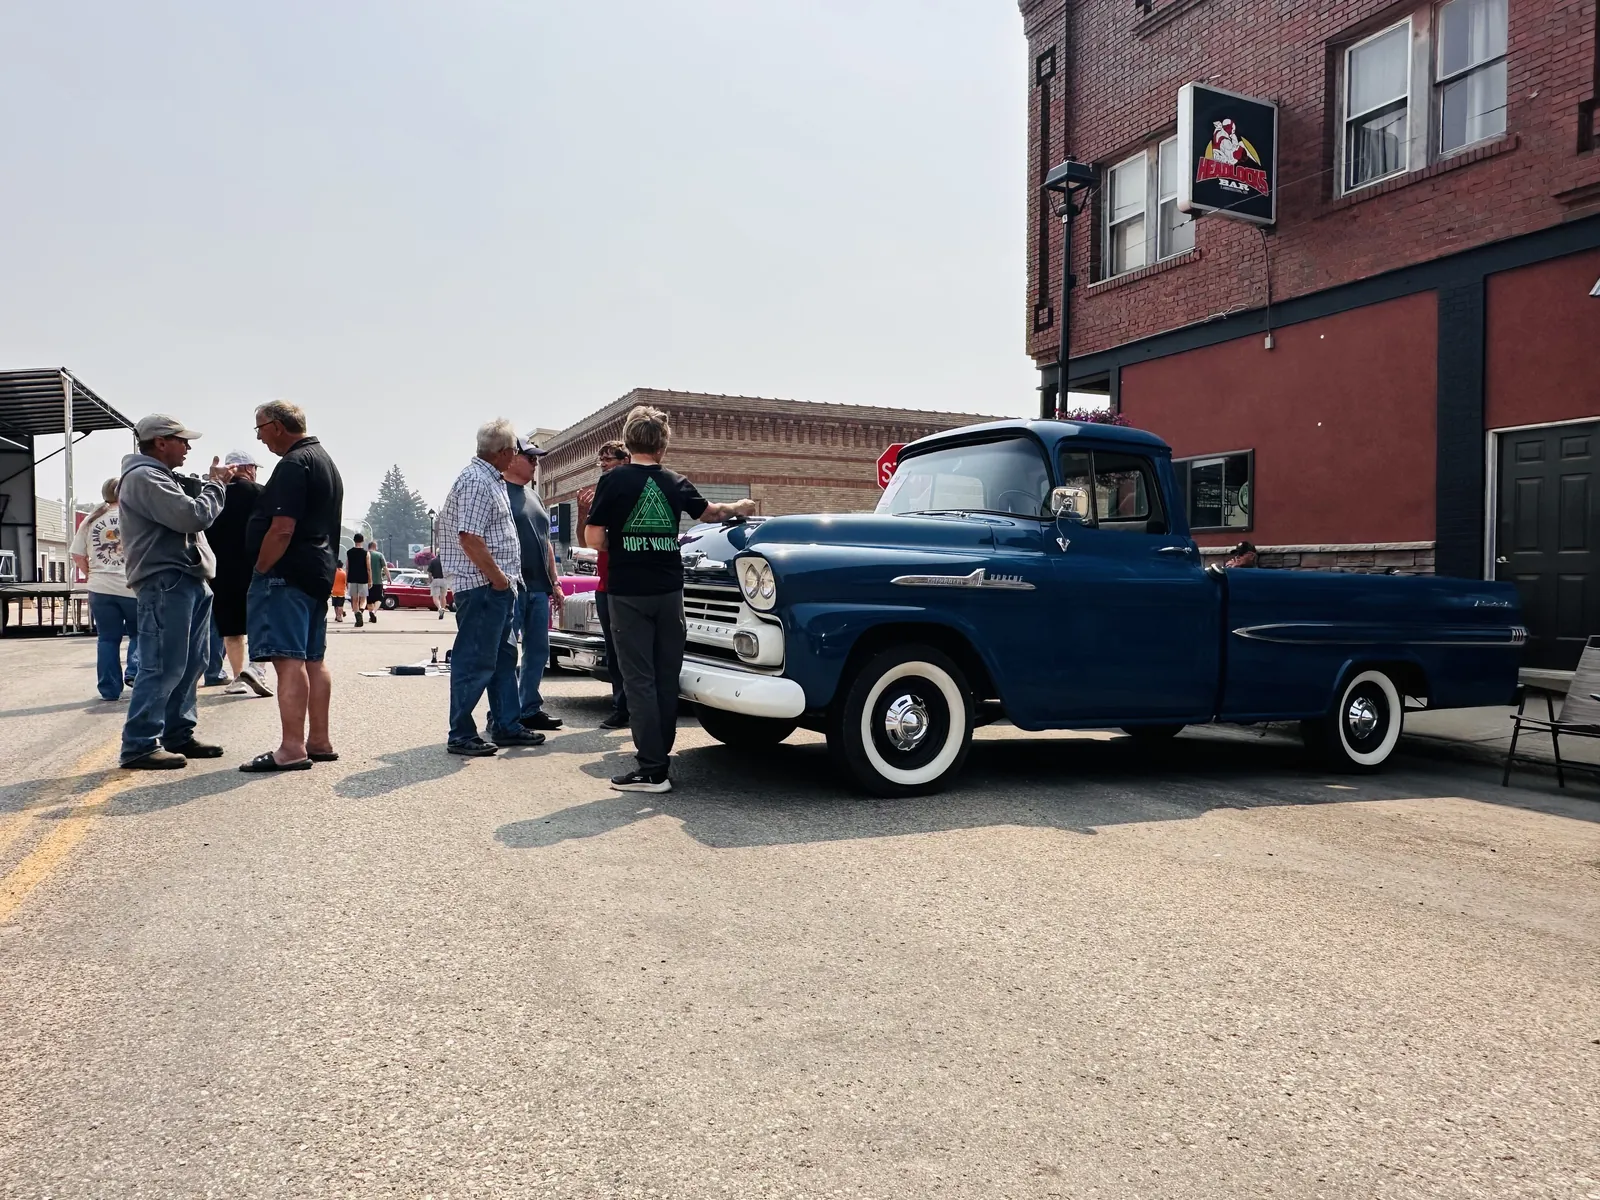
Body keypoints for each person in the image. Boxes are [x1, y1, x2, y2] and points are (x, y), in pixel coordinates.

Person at [584, 406, 756, 792]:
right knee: (665, 677)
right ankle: (659, 762)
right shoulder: (675, 481)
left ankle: (651, 769)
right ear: (663, 446)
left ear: (628, 443)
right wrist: (740, 509)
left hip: (628, 593)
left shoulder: (613, 481)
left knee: (639, 679)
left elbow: (593, 539)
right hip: (670, 591)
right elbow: (711, 513)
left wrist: (626, 542)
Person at [116, 414, 234, 769]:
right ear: (160, 442)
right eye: (181, 440)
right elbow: (191, 518)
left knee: (190, 663)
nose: (188, 447)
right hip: (168, 580)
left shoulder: (157, 477)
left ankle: (177, 733)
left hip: (185, 578)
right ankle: (139, 744)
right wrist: (216, 487)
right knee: (163, 665)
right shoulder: (145, 477)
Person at [239, 400, 345, 773]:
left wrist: (263, 566)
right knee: (313, 659)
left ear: (277, 426)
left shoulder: (293, 464)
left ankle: (291, 747)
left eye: (260, 428)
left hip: (287, 574)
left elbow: (282, 527)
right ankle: (318, 740)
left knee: (289, 661)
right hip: (317, 571)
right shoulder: (324, 461)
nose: (259, 436)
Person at [436, 419, 546, 756]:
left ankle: (506, 723)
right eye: (514, 449)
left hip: (497, 587)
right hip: (483, 587)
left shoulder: (490, 479)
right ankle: (461, 733)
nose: (516, 455)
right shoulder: (476, 482)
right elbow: (469, 537)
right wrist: (498, 579)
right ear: (503, 452)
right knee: (475, 660)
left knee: (502, 658)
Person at [502, 436, 564, 732]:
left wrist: (556, 582)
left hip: (539, 588)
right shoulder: (498, 492)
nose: (535, 462)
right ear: (512, 458)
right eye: (530, 457)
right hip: (511, 587)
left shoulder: (534, 497)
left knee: (538, 651)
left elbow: (546, 542)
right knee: (507, 653)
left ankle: (530, 709)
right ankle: (503, 714)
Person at [209, 449, 274, 697]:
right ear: (248, 469)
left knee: (232, 630)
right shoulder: (260, 494)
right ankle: (257, 669)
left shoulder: (215, 495)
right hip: (255, 567)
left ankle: (238, 678)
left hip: (221, 571)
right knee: (260, 622)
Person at [69, 477, 140, 701]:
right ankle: (135, 672)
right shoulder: (135, 517)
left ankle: (109, 689)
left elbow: (77, 554)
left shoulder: (91, 519)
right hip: (131, 587)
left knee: (108, 639)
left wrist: (91, 574)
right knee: (140, 633)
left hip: (100, 588)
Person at [590, 440, 631, 730]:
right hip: (605, 587)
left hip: (628, 585)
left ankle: (639, 708)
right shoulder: (603, 493)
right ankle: (621, 707)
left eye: (609, 459)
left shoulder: (630, 493)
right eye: (601, 460)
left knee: (634, 650)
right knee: (614, 651)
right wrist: (585, 511)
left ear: (625, 460)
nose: (603, 464)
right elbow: (589, 541)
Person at [344, 532, 371, 626]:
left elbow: (347, 567)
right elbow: (368, 568)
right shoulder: (366, 553)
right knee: (363, 599)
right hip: (363, 578)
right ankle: (361, 611)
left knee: (354, 600)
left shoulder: (349, 552)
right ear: (362, 541)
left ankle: (356, 614)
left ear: (354, 540)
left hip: (352, 578)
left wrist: (346, 580)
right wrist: (370, 580)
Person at [366, 539, 389, 621]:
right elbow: (385, 568)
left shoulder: (365, 554)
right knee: (379, 598)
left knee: (369, 600)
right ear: (374, 546)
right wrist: (389, 578)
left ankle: (370, 614)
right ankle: (373, 612)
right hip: (378, 581)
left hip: (367, 582)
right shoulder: (379, 555)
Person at [426, 552, 448, 618]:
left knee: (435, 597)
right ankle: (443, 610)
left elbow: (429, 572)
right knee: (443, 596)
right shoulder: (446, 561)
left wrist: (430, 580)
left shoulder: (433, 561)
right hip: (444, 580)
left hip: (435, 580)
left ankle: (439, 608)